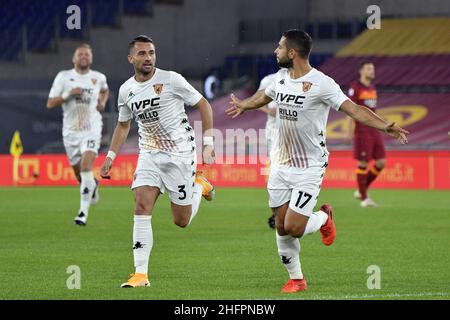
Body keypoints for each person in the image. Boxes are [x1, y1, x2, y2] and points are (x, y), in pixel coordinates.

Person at [226, 29, 408, 293]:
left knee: (294, 227)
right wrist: (245, 104)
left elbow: (354, 109)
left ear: (292, 53)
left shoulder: (322, 83)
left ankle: (324, 217)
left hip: (310, 166)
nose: (275, 51)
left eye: (279, 47)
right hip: (280, 163)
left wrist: (384, 126)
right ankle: (297, 279)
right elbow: (265, 95)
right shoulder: (281, 80)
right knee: (280, 224)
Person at [99, 35, 215, 288]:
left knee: (181, 221)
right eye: (142, 53)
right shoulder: (126, 90)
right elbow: (122, 125)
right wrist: (110, 156)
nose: (148, 57)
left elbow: (204, 105)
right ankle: (140, 274)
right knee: (141, 204)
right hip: (149, 155)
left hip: (180, 155)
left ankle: (200, 186)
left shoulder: (171, 79)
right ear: (131, 58)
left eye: (151, 52)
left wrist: (208, 144)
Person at [47, 43, 109, 226]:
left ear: (91, 58)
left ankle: (82, 213)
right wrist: (68, 94)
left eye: (87, 54)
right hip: (71, 133)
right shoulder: (64, 77)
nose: (84, 57)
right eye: (80, 54)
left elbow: (105, 90)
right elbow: (50, 103)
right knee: (80, 176)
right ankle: (92, 185)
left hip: (91, 129)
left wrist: (102, 103)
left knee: (86, 166)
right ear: (73, 58)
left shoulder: (98, 78)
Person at [348, 61, 385, 207]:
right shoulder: (355, 88)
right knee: (363, 162)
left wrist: (382, 125)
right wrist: (350, 130)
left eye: (373, 68)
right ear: (361, 71)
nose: (372, 71)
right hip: (362, 129)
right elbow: (350, 110)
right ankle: (364, 198)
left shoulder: (372, 88)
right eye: (369, 68)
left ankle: (361, 189)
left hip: (374, 128)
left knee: (381, 162)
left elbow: (374, 110)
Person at [257, 73, 278, 229]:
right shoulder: (269, 80)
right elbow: (257, 100)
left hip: (295, 133)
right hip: (273, 132)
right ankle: (278, 211)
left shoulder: (301, 79)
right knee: (276, 170)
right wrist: (268, 110)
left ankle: (284, 211)